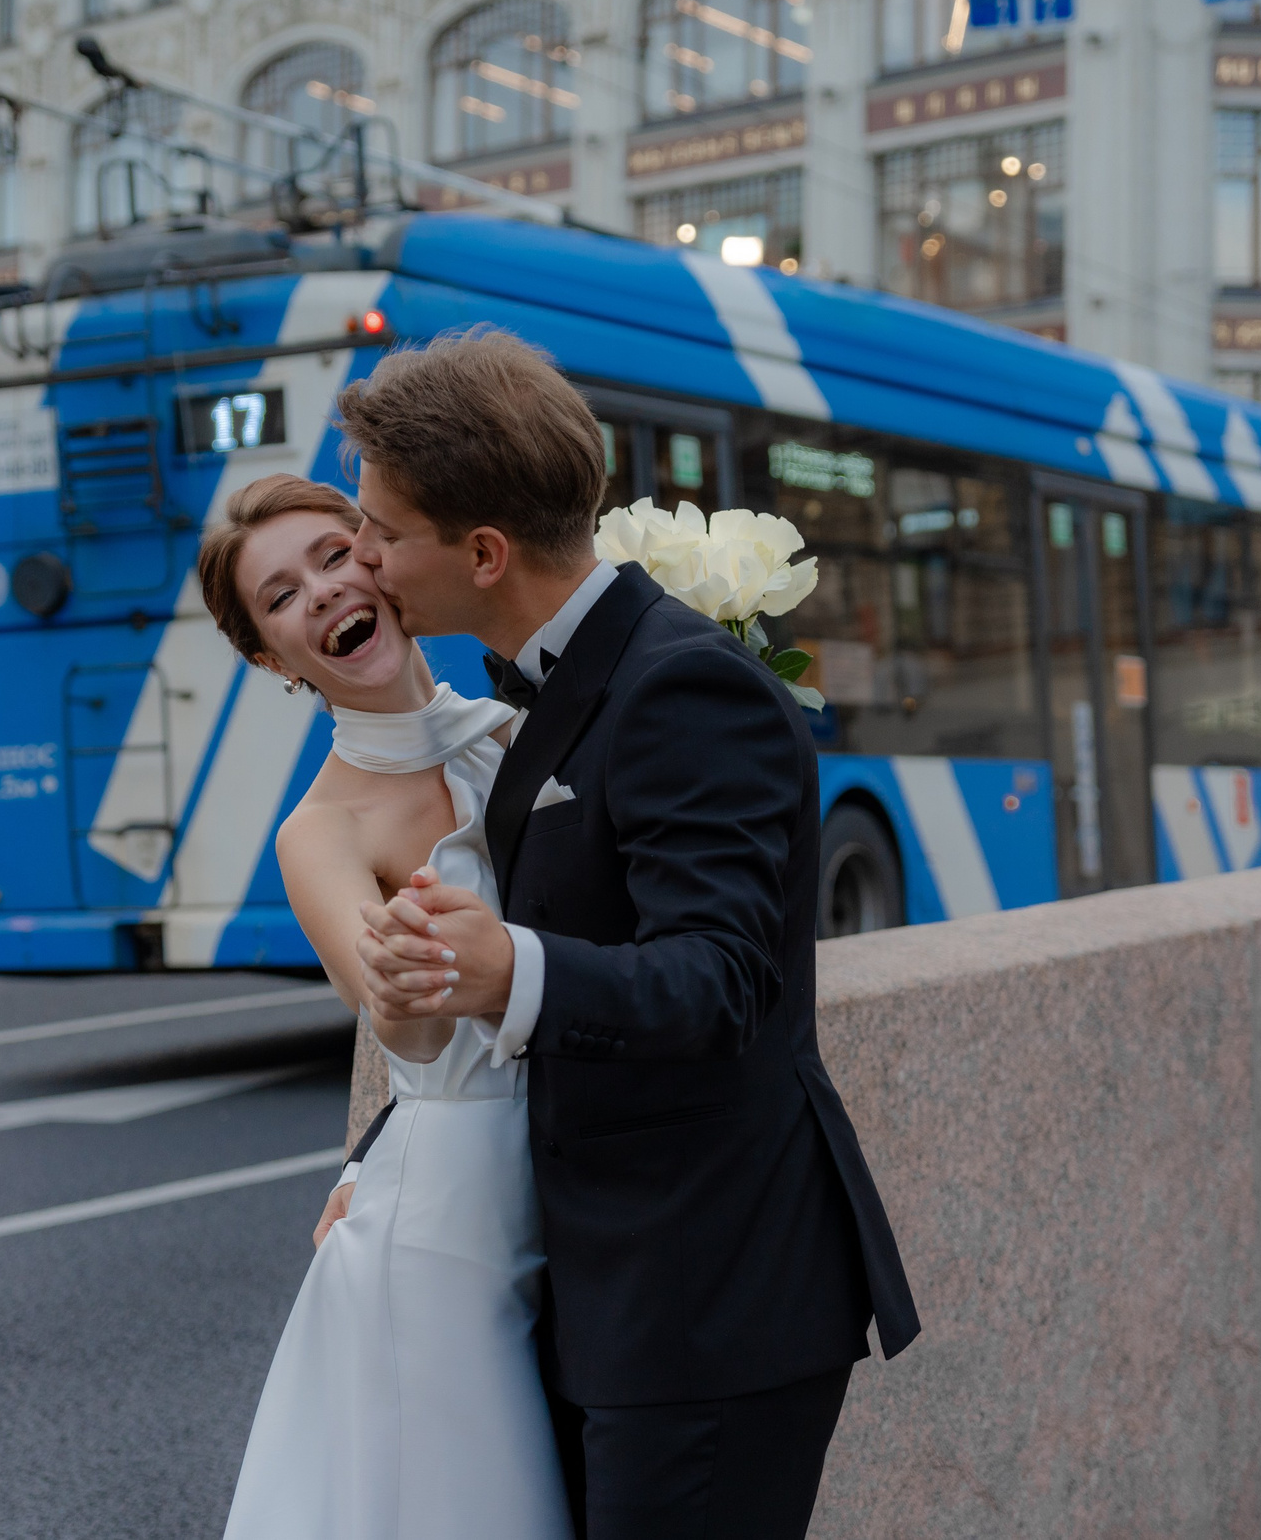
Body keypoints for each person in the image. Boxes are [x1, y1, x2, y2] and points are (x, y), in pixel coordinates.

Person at [343, 331, 918, 1539]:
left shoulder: (684, 685)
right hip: (616, 1291)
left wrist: (507, 967)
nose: (364, 558)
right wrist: (376, 1165)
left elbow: (717, 980)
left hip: (709, 1298)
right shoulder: (560, 677)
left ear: (484, 553)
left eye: (383, 531)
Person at [210, 474, 570, 1540]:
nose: (321, 592)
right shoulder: (317, 833)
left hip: (594, 1173)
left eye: (334, 555)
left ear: (384, 557)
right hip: (449, 1225)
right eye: (281, 597)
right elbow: (395, 1021)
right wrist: (411, 978)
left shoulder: (529, 729)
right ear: (274, 658)